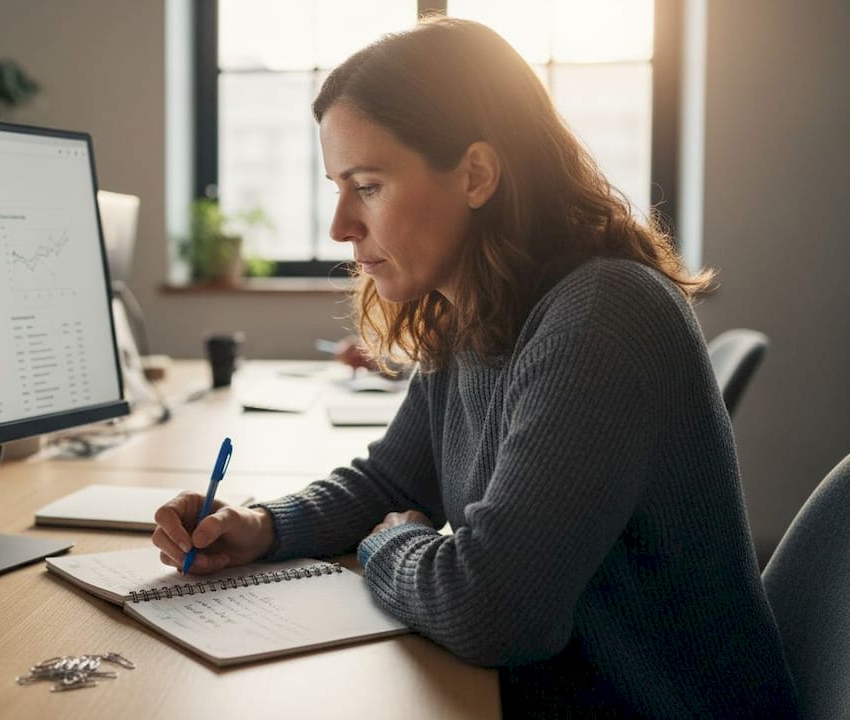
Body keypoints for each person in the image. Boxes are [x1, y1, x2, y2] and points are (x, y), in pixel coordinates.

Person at [153, 17, 797, 717]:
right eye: (337, 185)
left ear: (477, 174)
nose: (339, 225)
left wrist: (392, 545)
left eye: (366, 185)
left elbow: (492, 610)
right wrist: (261, 525)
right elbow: (393, 479)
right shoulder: (480, 307)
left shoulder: (599, 317)